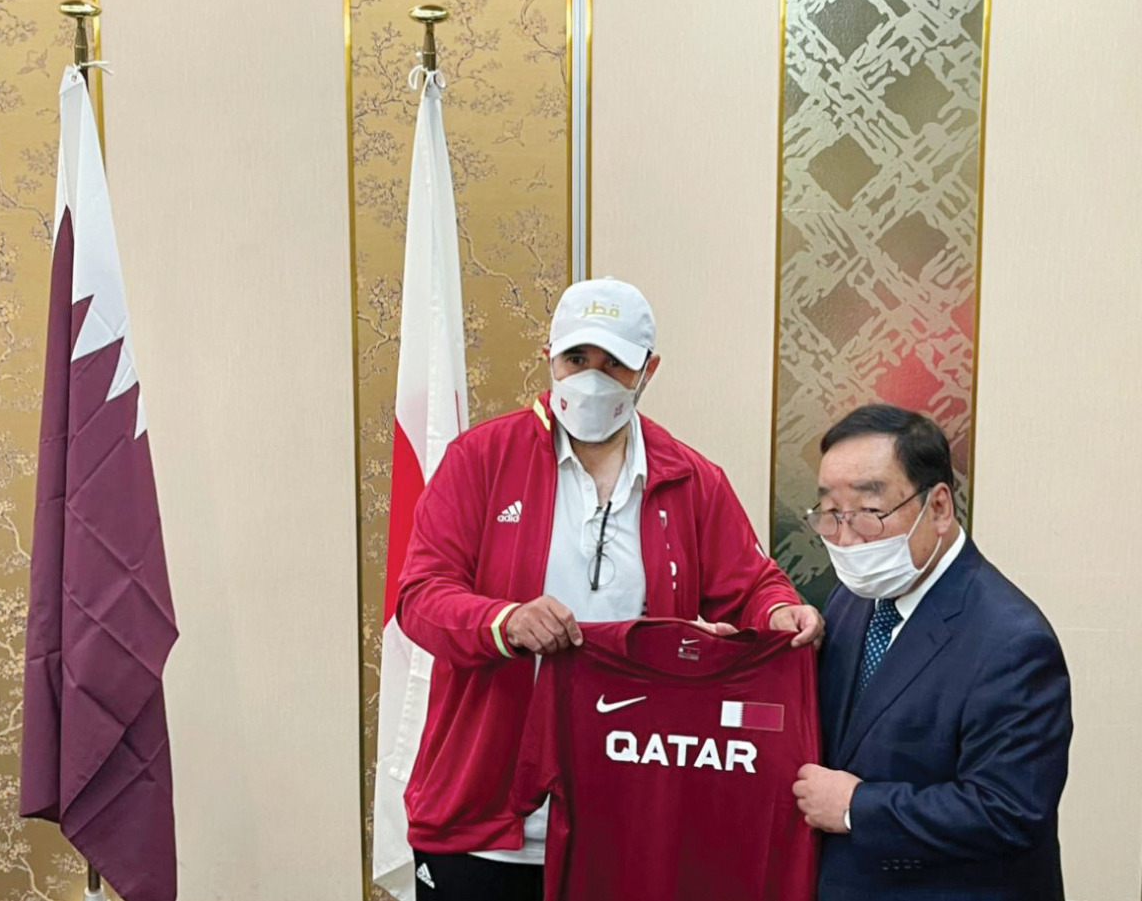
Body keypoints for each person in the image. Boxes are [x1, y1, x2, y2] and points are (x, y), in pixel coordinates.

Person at [397, 276, 824, 900]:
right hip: (485, 809)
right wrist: (504, 621)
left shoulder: (692, 479)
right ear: (549, 357)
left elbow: (752, 585)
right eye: (576, 359)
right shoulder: (479, 460)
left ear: (648, 370)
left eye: (614, 364)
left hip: (629, 813)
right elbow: (420, 597)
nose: (590, 379)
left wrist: (781, 610)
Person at [792, 404, 1072, 900]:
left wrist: (858, 806)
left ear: (938, 507)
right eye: (831, 514)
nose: (847, 537)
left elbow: (1008, 811)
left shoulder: (1013, 641)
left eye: (869, 512)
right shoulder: (851, 601)